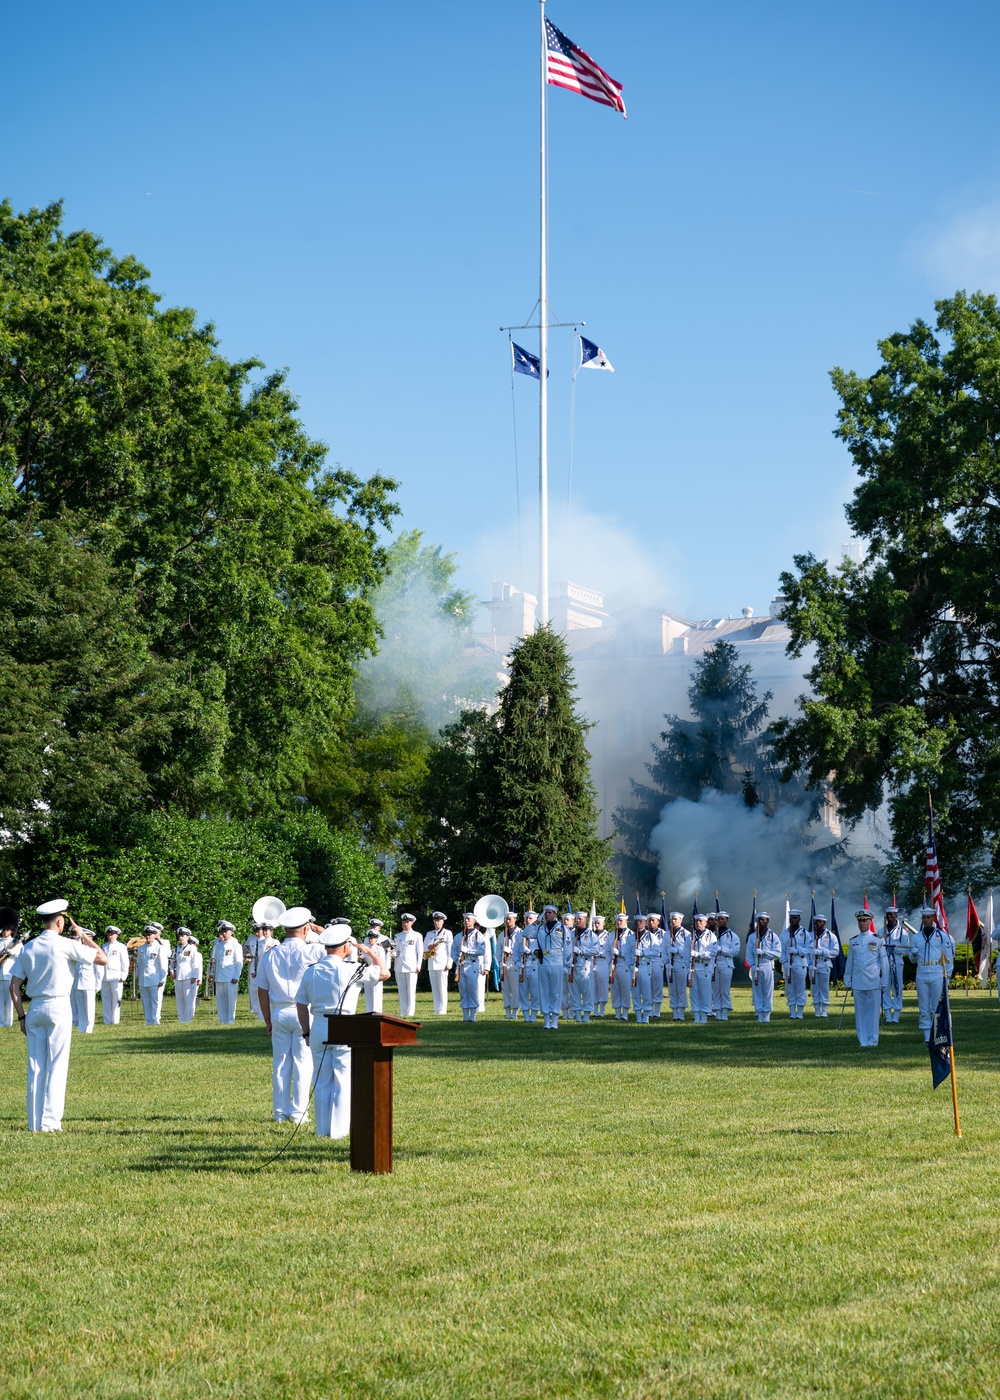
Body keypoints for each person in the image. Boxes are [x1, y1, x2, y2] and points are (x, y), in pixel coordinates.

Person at [9, 898, 107, 1131]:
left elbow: (14, 986)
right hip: (59, 1005)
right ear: (60, 922)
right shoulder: (65, 944)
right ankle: (50, 1123)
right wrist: (83, 935)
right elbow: (102, 959)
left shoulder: (28, 946)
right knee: (56, 1064)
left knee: (36, 1066)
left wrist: (21, 1016)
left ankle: (34, 1122)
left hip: (34, 1008)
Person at [297, 925, 388, 1138]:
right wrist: (369, 951)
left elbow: (301, 1004)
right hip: (345, 1025)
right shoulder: (352, 969)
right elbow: (384, 972)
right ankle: (338, 1130)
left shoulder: (312, 970)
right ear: (346, 947)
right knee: (342, 1077)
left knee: (321, 1080)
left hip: (319, 1025)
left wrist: (306, 1033)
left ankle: (323, 1129)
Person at [256, 906, 324, 1125]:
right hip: (304, 1011)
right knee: (303, 1063)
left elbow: (262, 989)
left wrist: (267, 1019)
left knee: (281, 1064)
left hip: (279, 1011)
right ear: (305, 929)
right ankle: (299, 1113)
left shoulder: (271, 953)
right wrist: (321, 931)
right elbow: (347, 949)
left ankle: (280, 1112)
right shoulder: (313, 951)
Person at [845, 909, 890, 1047]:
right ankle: (863, 1040)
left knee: (873, 1012)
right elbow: (850, 961)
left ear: (870, 922)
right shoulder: (854, 941)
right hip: (858, 981)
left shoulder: (877, 940)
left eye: (864, 920)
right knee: (860, 1013)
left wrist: (884, 981)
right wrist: (847, 977)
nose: (862, 923)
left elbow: (884, 963)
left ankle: (873, 1039)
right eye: (860, 921)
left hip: (873, 981)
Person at [908, 906, 953, 1041]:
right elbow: (912, 960)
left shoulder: (942, 936)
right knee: (923, 1005)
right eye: (924, 918)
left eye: (928, 917)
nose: (926, 920)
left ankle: (938, 1033)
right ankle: (927, 1036)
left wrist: (948, 976)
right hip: (921, 972)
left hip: (936, 971)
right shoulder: (916, 937)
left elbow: (949, 957)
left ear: (933, 918)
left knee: (936, 1005)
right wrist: (913, 954)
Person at [532, 905, 567, 1030]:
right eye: (545, 913)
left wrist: (566, 964)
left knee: (556, 992)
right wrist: (536, 921)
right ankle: (546, 1020)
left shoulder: (562, 928)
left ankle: (555, 1021)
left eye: (549, 912)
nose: (547, 914)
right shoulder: (540, 927)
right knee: (544, 992)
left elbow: (568, 947)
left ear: (555, 914)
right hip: (543, 962)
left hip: (557, 961)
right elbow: (526, 933)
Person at [452, 914, 489, 1023]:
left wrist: (467, 951)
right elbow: (453, 951)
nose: (466, 921)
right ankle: (464, 1014)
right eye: (465, 919)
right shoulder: (459, 936)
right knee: (463, 990)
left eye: (468, 919)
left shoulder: (479, 935)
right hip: (461, 965)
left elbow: (482, 951)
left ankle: (472, 1014)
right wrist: (457, 959)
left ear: (474, 921)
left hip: (472, 964)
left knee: (472, 990)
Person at [747, 913, 782, 1023]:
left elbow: (778, 953)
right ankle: (759, 1012)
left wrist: (764, 952)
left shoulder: (773, 936)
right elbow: (748, 954)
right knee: (757, 990)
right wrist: (752, 965)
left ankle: (766, 1014)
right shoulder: (753, 936)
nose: (761, 922)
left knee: (767, 990)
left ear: (768, 921)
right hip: (756, 965)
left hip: (767, 964)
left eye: (764, 920)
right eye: (759, 920)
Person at [136, 923, 171, 1026]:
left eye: (150, 935)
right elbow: (139, 964)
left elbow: (163, 965)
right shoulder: (141, 948)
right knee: (145, 1001)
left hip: (154, 978)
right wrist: (138, 978)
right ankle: (148, 1021)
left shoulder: (159, 948)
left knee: (155, 1000)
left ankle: (155, 1020)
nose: (148, 937)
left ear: (155, 935)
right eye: (146, 935)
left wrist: (162, 979)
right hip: (143, 979)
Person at [244, 920, 279, 1022]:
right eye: (263, 930)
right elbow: (255, 957)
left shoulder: (275, 942)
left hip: (271, 971)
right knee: (257, 990)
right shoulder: (255, 941)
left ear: (271, 931)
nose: (264, 932)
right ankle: (258, 1012)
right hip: (259, 969)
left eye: (267, 930)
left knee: (270, 992)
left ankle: (271, 1012)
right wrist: (253, 968)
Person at [210, 921, 243, 1024]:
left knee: (231, 1000)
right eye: (223, 931)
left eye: (227, 931)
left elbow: (239, 963)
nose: (224, 933)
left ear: (231, 932)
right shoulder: (218, 945)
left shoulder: (235, 945)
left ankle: (230, 1020)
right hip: (219, 976)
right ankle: (222, 1020)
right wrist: (212, 974)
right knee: (220, 1000)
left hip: (230, 977)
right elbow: (214, 961)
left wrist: (236, 976)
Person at [881, 906, 910, 1023]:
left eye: (892, 914)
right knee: (885, 987)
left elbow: (906, 949)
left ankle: (896, 1013)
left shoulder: (902, 932)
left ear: (896, 916)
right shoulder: (881, 931)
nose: (890, 917)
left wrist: (894, 949)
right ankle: (887, 1013)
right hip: (884, 962)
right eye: (888, 914)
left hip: (897, 961)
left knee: (897, 987)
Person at [688, 912, 718, 1024]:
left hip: (704, 966)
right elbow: (687, 952)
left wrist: (699, 954)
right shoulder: (690, 936)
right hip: (693, 967)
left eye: (701, 921)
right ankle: (696, 1016)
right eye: (697, 921)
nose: (698, 923)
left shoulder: (711, 936)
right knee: (694, 993)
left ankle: (704, 1016)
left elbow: (713, 952)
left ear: (706, 922)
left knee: (705, 992)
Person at [570, 913, 600, 1022]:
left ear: (585, 920)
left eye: (580, 919)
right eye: (576, 919)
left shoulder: (591, 935)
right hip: (573, 966)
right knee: (574, 992)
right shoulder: (571, 933)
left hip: (585, 966)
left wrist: (582, 951)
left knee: (587, 992)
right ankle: (577, 1015)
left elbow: (596, 950)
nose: (578, 921)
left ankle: (586, 1015)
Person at [808, 914, 839, 1017]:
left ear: (824, 922)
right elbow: (806, 951)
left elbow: (835, 951)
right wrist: (809, 964)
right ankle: (817, 1009)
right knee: (814, 987)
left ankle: (824, 1010)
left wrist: (822, 952)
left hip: (824, 963)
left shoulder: (831, 936)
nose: (818, 923)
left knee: (824, 988)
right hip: (813, 963)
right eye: (816, 922)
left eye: (820, 921)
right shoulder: (810, 935)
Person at [393, 913, 423, 1018]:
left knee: (411, 990)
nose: (405, 924)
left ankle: (410, 1011)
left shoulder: (417, 935)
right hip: (400, 966)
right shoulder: (398, 936)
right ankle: (403, 1010)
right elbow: (397, 951)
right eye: (404, 922)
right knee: (401, 990)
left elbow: (420, 952)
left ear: (412, 923)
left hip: (411, 966)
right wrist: (393, 954)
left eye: (408, 922)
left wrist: (418, 965)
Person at [423, 912, 453, 1015]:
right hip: (432, 963)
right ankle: (436, 1008)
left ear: (442, 922)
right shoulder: (429, 933)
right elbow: (424, 947)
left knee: (442, 987)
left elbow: (450, 950)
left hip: (442, 964)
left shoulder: (447, 933)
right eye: (435, 921)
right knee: (434, 987)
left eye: (438, 921)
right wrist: (429, 947)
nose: (436, 923)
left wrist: (449, 963)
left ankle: (443, 1009)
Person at [171, 928, 203, 1023]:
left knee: (188, 999)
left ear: (187, 937)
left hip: (189, 976)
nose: (181, 938)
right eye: (180, 936)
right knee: (180, 999)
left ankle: (188, 1019)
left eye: (183, 936)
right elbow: (172, 961)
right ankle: (181, 1019)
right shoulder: (177, 948)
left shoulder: (192, 948)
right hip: (178, 976)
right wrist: (172, 971)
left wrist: (194, 976)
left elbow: (195, 964)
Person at [0, 907, 25, 1028]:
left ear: (11, 930)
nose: (5, 932)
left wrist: (11, 952)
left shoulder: (16, 942)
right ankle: (1, 1020)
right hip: (0, 973)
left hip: (9, 973)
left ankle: (8, 1021)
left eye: (8, 929)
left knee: (9, 1001)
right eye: (4, 929)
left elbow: (21, 954)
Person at [71, 928, 100, 1033]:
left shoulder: (93, 951)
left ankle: (89, 1027)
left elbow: (99, 971)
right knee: (81, 1007)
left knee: (89, 1007)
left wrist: (97, 985)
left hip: (89, 983)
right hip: (78, 983)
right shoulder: (79, 951)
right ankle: (81, 1027)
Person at [99, 926, 130, 1025]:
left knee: (116, 999)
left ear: (116, 935)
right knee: (106, 1000)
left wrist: (124, 975)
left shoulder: (121, 947)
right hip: (105, 976)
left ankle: (115, 1020)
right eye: (108, 935)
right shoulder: (104, 946)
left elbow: (125, 962)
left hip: (116, 976)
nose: (110, 936)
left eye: (112, 935)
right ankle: (107, 1021)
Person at [782, 910, 809, 1020]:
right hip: (788, 963)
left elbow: (809, 948)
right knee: (789, 988)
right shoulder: (784, 934)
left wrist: (797, 951)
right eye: (791, 918)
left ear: (799, 919)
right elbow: (781, 951)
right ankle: (792, 1012)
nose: (793, 920)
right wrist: (784, 962)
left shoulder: (805, 933)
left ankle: (800, 1012)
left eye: (795, 918)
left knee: (800, 988)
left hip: (799, 962)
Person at [712, 912, 739, 1021]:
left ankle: (725, 1013)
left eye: (723, 919)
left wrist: (722, 950)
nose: (721, 921)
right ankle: (717, 1012)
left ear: (727, 920)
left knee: (725, 989)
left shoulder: (732, 935)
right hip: (714, 962)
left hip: (726, 962)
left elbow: (735, 951)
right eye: (719, 919)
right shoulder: (712, 934)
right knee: (716, 989)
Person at [665, 912, 690, 1022]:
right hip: (670, 962)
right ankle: (675, 1013)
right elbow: (663, 950)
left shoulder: (687, 934)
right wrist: (665, 962)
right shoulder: (667, 934)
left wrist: (678, 951)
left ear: (681, 920)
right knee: (672, 989)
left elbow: (688, 951)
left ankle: (682, 1013)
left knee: (681, 989)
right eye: (672, 919)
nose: (673, 921)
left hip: (681, 962)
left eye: (675, 919)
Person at [610, 912, 635, 1020]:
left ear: (626, 922)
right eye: (617, 921)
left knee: (625, 989)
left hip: (625, 964)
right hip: (614, 965)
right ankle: (617, 1012)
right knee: (615, 989)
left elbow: (632, 951)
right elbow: (606, 950)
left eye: (621, 921)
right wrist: (609, 961)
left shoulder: (631, 935)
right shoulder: (612, 935)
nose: (619, 923)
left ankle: (625, 1012)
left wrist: (620, 953)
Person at [515, 914, 540, 1022]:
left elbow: (542, 951)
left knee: (535, 992)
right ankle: (525, 1014)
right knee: (523, 991)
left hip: (534, 964)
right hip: (523, 965)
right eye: (526, 918)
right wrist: (517, 962)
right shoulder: (520, 935)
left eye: (530, 918)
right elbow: (515, 950)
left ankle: (533, 1014)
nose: (528, 920)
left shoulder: (539, 933)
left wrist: (531, 952)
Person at [363, 920, 393, 1012]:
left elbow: (386, 956)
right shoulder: (366, 942)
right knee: (368, 992)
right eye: (372, 926)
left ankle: (377, 1011)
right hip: (368, 970)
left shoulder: (383, 940)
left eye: (375, 926)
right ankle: (369, 1011)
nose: (370, 939)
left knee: (376, 992)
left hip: (377, 970)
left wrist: (386, 969)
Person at [631, 913, 654, 1024]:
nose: (639, 923)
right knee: (635, 992)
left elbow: (655, 951)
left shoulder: (650, 936)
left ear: (645, 923)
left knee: (646, 992)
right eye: (637, 921)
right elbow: (626, 953)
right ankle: (638, 1015)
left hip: (645, 965)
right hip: (634, 967)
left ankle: (646, 1015)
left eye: (641, 921)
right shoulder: (631, 936)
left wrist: (642, 953)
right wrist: (631, 965)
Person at [499, 910, 521, 1019]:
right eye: (506, 919)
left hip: (514, 962)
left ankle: (514, 1011)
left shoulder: (520, 933)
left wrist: (511, 951)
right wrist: (500, 962)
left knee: (515, 988)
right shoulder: (502, 934)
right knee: (505, 988)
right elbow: (498, 951)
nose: (508, 921)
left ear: (515, 920)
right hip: (504, 962)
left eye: (510, 919)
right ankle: (507, 1010)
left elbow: (521, 949)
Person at [645, 912, 667, 1019]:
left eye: (653, 920)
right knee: (647, 986)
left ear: (658, 922)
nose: (651, 922)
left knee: (657, 986)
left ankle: (657, 1010)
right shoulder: (644, 933)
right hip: (646, 961)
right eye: (649, 920)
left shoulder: (663, 933)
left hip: (658, 961)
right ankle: (649, 1008)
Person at [591, 915, 611, 1017]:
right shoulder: (590, 935)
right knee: (593, 986)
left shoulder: (608, 935)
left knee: (602, 985)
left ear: (603, 923)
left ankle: (602, 1011)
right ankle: (595, 1011)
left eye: (599, 923)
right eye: (595, 923)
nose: (597, 925)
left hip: (603, 961)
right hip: (592, 961)